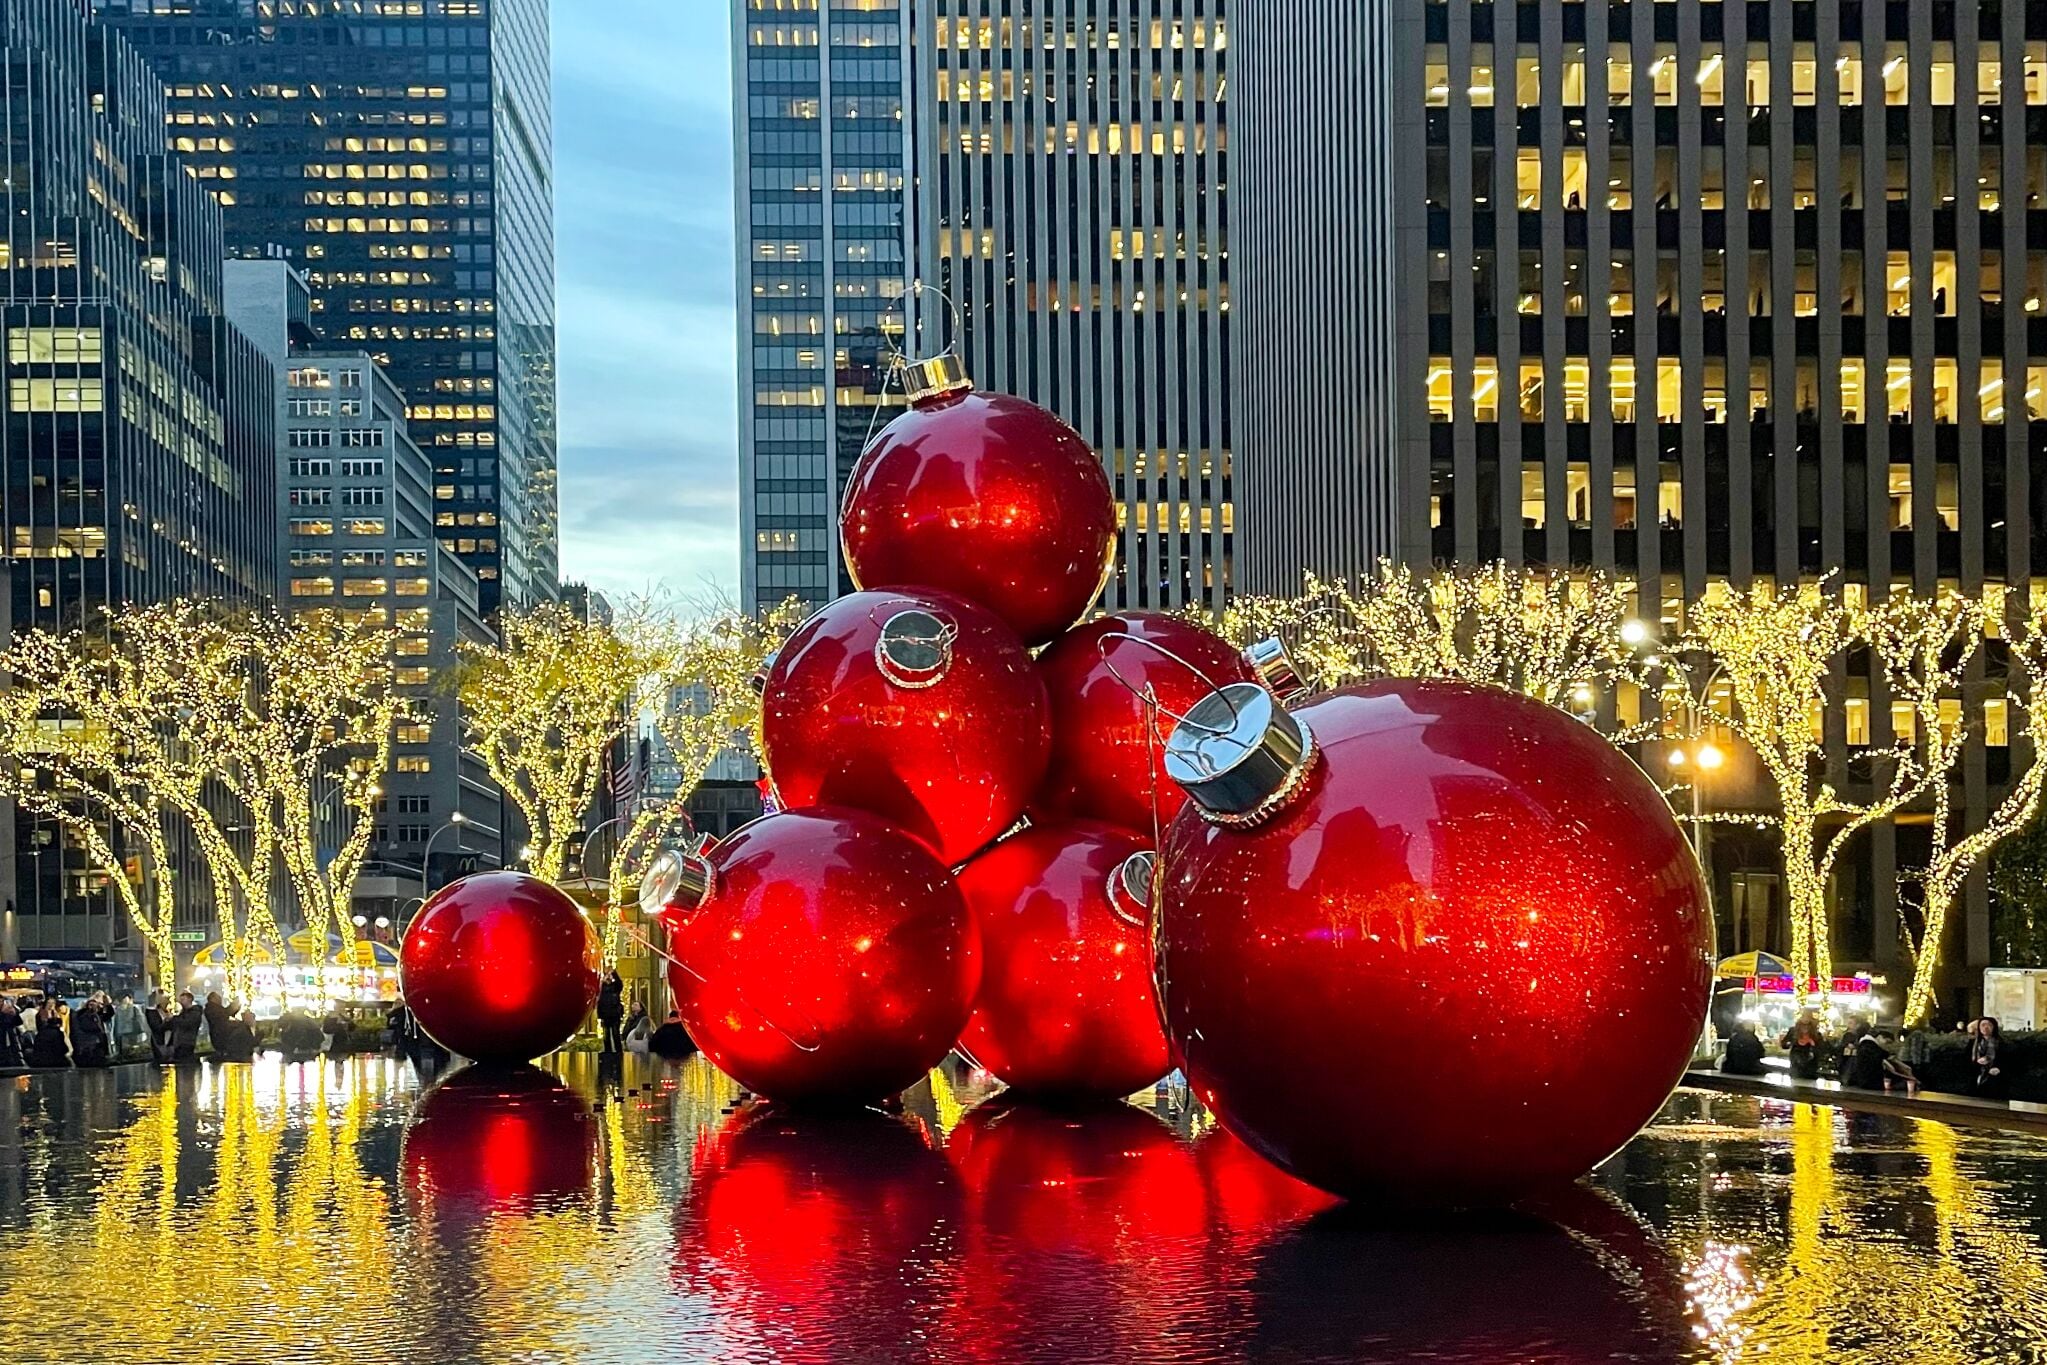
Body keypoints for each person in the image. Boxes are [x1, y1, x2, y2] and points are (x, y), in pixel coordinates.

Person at [1780, 1009, 1828, 1081]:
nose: (1805, 1019)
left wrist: (1813, 1045)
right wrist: (1789, 1043)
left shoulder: (1816, 1034)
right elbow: (1784, 1044)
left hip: (1810, 1064)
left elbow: (1821, 1050)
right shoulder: (1793, 1031)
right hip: (1796, 1062)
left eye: (1808, 1017)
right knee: (1795, 1082)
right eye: (1804, 1017)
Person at [69, 992, 110, 1067]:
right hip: (88, 1042)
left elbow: (109, 1014)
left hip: (98, 1041)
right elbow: (84, 1027)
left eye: (94, 1004)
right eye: (90, 1004)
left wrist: (107, 1004)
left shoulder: (98, 1014)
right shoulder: (82, 1014)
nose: (92, 1006)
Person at [1971, 1016, 2008, 1100]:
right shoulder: (1974, 1043)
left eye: (1989, 1025)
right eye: (1983, 1025)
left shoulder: (2001, 1043)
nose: (1986, 1027)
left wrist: (1999, 1068)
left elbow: (2006, 1060)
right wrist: (1977, 1062)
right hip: (1978, 1076)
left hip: (1996, 1078)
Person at [28, 1000, 71, 1068]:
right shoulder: (41, 1014)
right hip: (53, 1057)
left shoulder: (56, 1013)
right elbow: (64, 1049)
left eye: (53, 1003)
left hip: (41, 1059)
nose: (51, 1004)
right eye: (49, 1003)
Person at [111, 991, 149, 1061]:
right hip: (123, 1034)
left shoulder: (134, 1008)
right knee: (128, 1051)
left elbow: (141, 1020)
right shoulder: (118, 1010)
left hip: (132, 1033)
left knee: (133, 1050)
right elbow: (116, 1023)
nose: (124, 1000)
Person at [169, 991, 204, 1062]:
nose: (181, 1002)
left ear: (190, 999)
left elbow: (187, 1023)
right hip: (179, 1043)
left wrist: (174, 1018)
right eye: (180, 1000)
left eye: (183, 1000)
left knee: (185, 1063)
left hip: (187, 1042)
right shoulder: (183, 1012)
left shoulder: (195, 1012)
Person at [597, 969, 625, 1054]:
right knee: (606, 1035)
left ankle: (619, 1052)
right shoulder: (601, 989)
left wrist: (614, 973)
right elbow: (599, 1002)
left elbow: (619, 983)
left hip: (614, 1014)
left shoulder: (615, 987)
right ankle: (607, 1052)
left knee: (616, 1034)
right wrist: (600, 1015)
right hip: (605, 1015)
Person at [144, 991, 173, 1063]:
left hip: (169, 1042)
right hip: (159, 1043)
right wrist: (168, 1021)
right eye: (165, 999)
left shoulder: (166, 1011)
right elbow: (157, 1027)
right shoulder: (151, 1012)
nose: (167, 1002)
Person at [0, 997, 24, 1069]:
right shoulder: (4, 1012)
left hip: (10, 1039)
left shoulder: (8, 1011)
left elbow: (18, 1022)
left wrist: (14, 1012)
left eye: (2, 1001)